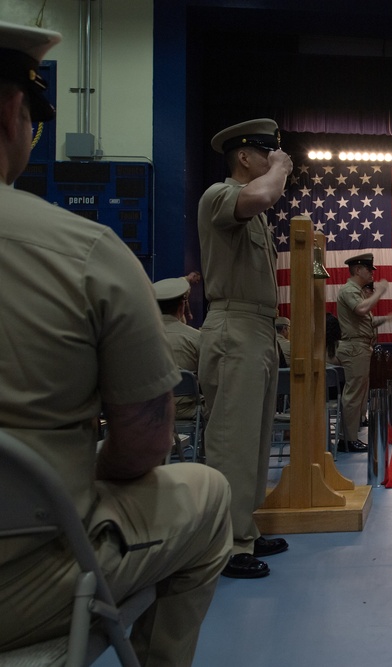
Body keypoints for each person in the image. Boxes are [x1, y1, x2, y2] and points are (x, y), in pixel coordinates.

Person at [0, 21, 231, 664]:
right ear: (14, 110)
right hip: (23, 579)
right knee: (208, 498)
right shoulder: (88, 254)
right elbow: (143, 444)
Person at [198, 117, 292, 579]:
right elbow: (264, 193)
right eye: (264, 153)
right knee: (232, 441)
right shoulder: (220, 196)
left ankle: (245, 530)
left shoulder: (252, 216)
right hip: (234, 326)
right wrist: (281, 167)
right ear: (244, 157)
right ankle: (225, 544)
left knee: (255, 439)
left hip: (258, 329)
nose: (271, 159)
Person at [334, 255, 392, 452]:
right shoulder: (349, 290)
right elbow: (361, 309)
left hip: (360, 347)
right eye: (369, 270)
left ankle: (350, 435)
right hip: (354, 348)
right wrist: (380, 293)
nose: (372, 274)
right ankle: (347, 439)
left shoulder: (356, 291)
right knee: (353, 395)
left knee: (358, 394)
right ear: (358, 269)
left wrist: (384, 319)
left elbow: (364, 321)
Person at [154, 276, 202, 421]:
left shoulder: (136, 339)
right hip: (187, 411)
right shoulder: (197, 338)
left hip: (147, 411)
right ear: (182, 306)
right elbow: (209, 379)